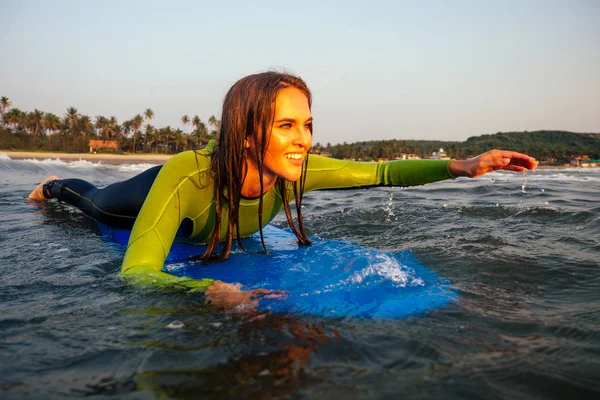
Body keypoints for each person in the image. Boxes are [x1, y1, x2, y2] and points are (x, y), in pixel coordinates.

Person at [29, 71, 538, 306]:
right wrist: (207, 288)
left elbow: (382, 171)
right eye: (286, 126)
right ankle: (52, 186)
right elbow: (136, 273)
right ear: (250, 132)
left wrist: (461, 166)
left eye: (308, 124)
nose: (304, 141)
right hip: (137, 205)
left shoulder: (296, 170)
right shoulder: (190, 173)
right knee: (90, 200)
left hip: (213, 228)